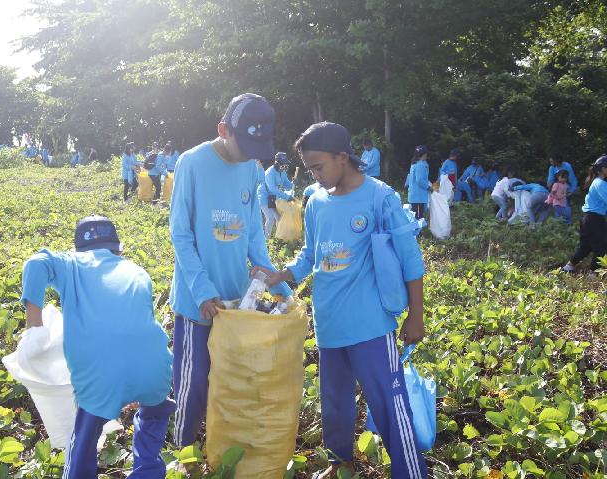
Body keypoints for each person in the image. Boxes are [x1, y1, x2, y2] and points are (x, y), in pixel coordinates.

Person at [266, 121, 427, 479]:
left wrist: (416, 316)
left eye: (319, 167)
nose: (316, 176)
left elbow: (410, 259)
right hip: (329, 324)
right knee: (335, 404)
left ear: (344, 157)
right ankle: (341, 464)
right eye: (310, 170)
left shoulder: (379, 197)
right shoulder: (316, 203)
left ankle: (410, 472)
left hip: (370, 325)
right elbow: (310, 254)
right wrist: (284, 273)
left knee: (389, 404)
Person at [168, 93, 292, 461]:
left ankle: (223, 448)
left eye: (260, 146)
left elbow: (253, 232)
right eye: (247, 143)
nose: (252, 153)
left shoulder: (251, 166)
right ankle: (184, 450)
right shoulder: (191, 163)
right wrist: (203, 291)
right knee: (192, 383)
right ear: (223, 130)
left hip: (239, 302)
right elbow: (180, 235)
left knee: (231, 382)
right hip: (197, 303)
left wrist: (280, 285)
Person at [20, 215, 175, 479]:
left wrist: (34, 326)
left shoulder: (71, 263)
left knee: (86, 433)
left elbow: (36, 263)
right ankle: (147, 471)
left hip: (99, 375)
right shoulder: (138, 271)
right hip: (154, 368)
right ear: (119, 249)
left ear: (78, 250)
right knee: (154, 412)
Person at [561, 155, 607, 273]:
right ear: (602, 169)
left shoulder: (599, 182)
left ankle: (569, 267)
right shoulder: (600, 183)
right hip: (594, 219)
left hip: (588, 218)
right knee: (601, 246)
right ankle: (593, 273)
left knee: (586, 246)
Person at [261, 151, 294, 237]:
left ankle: (277, 237)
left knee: (279, 218)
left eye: (285, 165)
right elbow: (272, 189)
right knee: (270, 218)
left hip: (272, 198)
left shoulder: (282, 172)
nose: (284, 167)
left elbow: (287, 185)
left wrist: (293, 184)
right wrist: (287, 197)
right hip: (263, 196)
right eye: (282, 165)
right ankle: (267, 240)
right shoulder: (269, 173)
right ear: (276, 163)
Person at [405, 145, 431, 220]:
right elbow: (419, 180)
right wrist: (428, 187)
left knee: (414, 215)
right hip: (419, 195)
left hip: (414, 194)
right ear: (424, 154)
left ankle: (415, 230)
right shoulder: (420, 165)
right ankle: (417, 230)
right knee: (418, 216)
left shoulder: (415, 163)